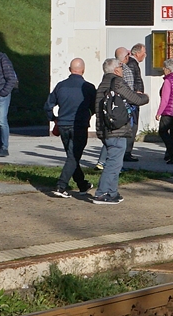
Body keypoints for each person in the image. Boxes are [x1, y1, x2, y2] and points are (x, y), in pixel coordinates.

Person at [93, 57, 148, 205]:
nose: (123, 71)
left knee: (115, 162)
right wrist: (144, 96)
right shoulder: (117, 82)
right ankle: (101, 193)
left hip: (105, 129)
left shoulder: (102, 85)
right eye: (122, 68)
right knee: (113, 163)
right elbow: (135, 99)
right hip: (117, 129)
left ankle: (112, 192)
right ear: (116, 70)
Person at [45, 58, 96, 197]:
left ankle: (82, 184)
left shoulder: (60, 86)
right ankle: (61, 186)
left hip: (63, 125)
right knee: (73, 157)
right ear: (83, 70)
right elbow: (95, 107)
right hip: (79, 126)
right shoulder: (89, 88)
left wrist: (53, 119)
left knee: (72, 156)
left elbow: (48, 106)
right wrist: (88, 115)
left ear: (69, 69)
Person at [119, 45, 147, 162]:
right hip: (132, 101)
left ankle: (127, 152)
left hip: (134, 99)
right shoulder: (131, 64)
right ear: (137, 53)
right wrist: (136, 95)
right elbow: (130, 83)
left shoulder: (133, 64)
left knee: (132, 126)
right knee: (132, 126)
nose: (145, 55)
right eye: (144, 52)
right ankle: (126, 152)